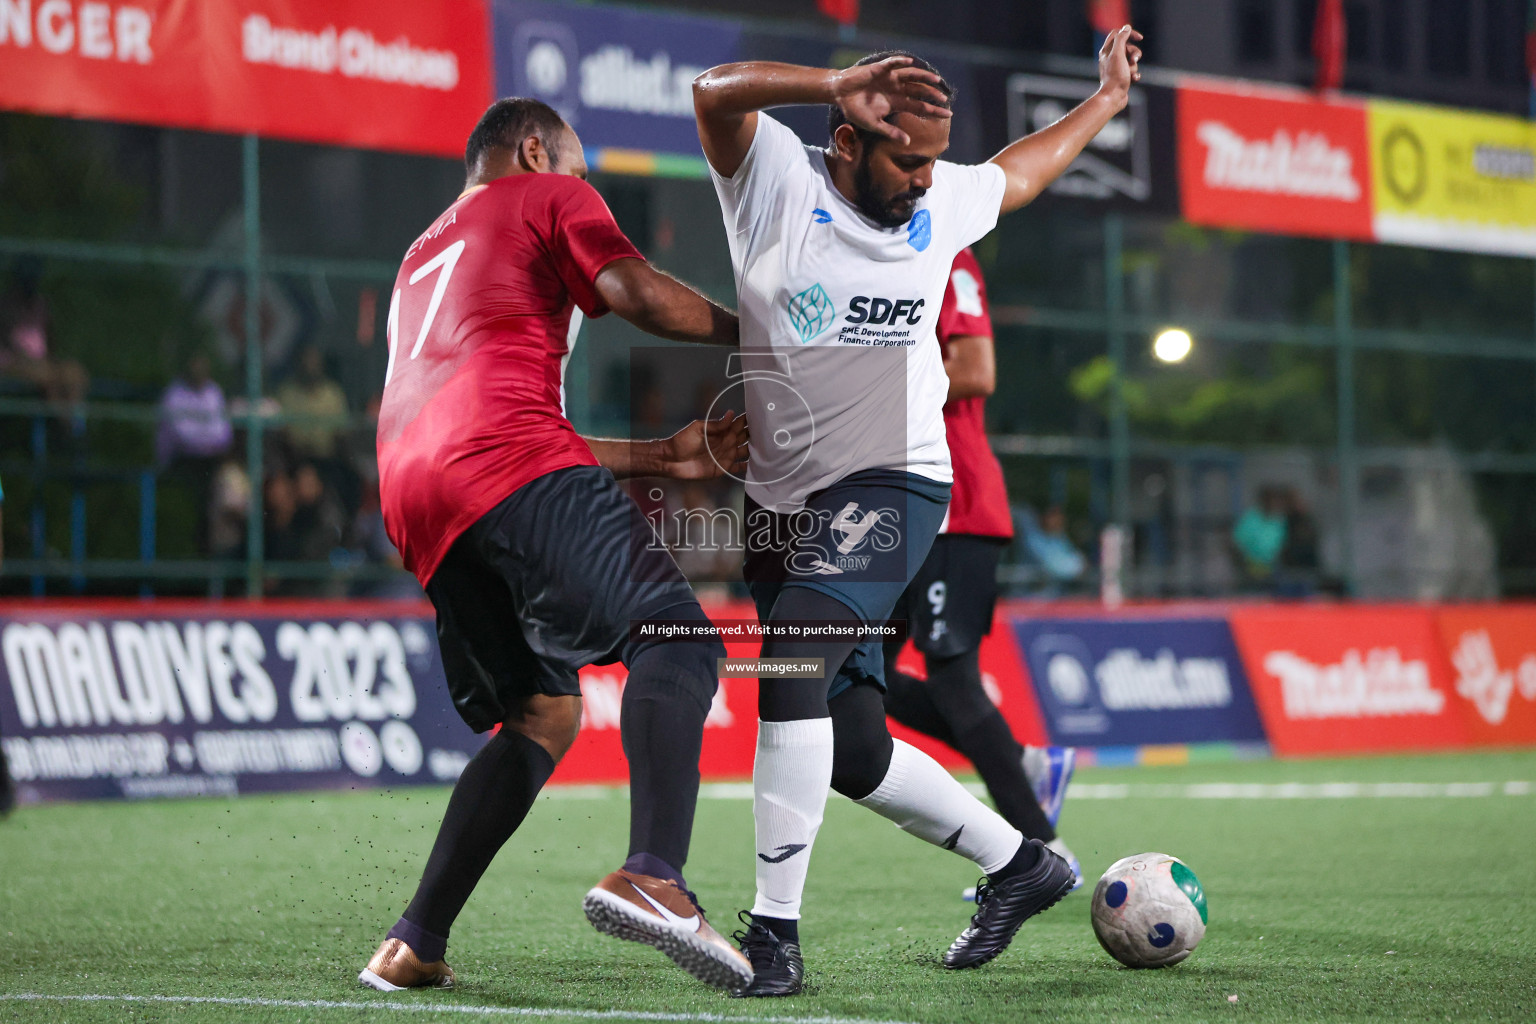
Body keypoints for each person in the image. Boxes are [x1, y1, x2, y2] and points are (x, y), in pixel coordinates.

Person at [693, 25, 1142, 995]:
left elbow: (1018, 173)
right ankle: (1022, 862)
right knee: (853, 748)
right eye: (907, 159)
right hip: (778, 500)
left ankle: (773, 936)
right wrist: (830, 79)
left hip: (899, 478)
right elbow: (714, 90)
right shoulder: (777, 179)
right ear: (847, 137)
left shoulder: (941, 200)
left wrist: (1105, 102)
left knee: (795, 653)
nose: (926, 181)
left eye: (935, 161)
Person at [360, 97, 753, 994]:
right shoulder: (546, 193)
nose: (584, 188)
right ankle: (655, 872)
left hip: (417, 500)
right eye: (576, 168)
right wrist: (758, 333)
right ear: (534, 149)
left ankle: (414, 939)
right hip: (503, 462)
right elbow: (631, 292)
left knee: (541, 714)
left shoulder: (421, 255)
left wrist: (656, 455)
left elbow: (485, 406)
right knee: (681, 639)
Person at [879, 249, 1081, 892]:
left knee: (955, 682)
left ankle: (1045, 852)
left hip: (955, 505)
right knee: (863, 684)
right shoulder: (874, 259)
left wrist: (860, 387)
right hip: (900, 507)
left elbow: (975, 369)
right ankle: (1020, 763)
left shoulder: (949, 260)